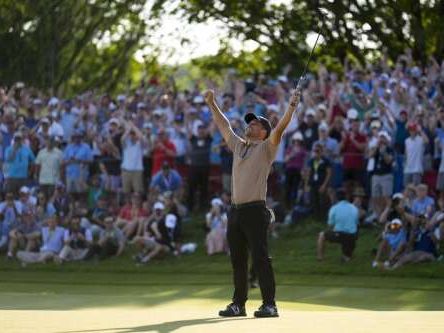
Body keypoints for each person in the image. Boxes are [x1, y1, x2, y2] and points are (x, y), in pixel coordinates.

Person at [204, 87, 301, 318]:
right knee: (237, 260)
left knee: (260, 258)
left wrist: (292, 105)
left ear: (264, 132)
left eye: (256, 124)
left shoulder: (268, 147)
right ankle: (238, 304)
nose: (250, 125)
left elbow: (281, 127)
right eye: (250, 123)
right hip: (235, 211)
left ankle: (270, 304)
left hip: (256, 211)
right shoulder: (239, 145)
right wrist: (212, 103)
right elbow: (224, 126)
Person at [317, 188, 359, 262]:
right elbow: (356, 223)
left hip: (340, 234)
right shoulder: (353, 207)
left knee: (322, 235)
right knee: (346, 258)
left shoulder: (334, 208)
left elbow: (330, 225)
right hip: (353, 236)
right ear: (346, 197)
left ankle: (320, 258)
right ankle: (347, 256)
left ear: (336, 198)